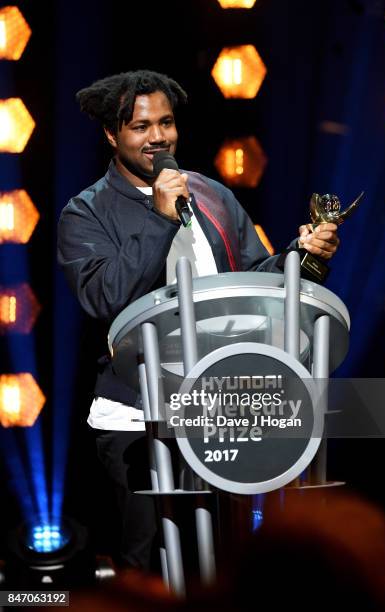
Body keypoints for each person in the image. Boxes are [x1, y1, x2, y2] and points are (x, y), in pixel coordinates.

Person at [57, 69, 340, 571]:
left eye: (165, 123)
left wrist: (304, 255)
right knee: (152, 559)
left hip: (222, 403)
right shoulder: (85, 213)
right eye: (140, 127)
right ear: (111, 134)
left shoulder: (211, 194)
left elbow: (254, 278)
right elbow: (104, 297)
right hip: (139, 413)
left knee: (227, 557)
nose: (158, 137)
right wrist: (159, 218)